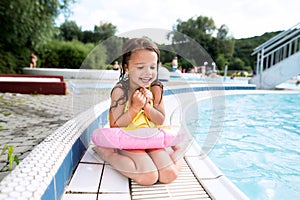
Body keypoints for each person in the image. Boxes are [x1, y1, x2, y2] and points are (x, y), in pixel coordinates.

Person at [93, 38, 183, 186]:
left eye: (152, 67)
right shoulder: (120, 91)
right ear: (126, 67)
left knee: (169, 174)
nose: (148, 73)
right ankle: (106, 153)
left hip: (151, 139)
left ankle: (179, 154)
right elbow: (115, 125)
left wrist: (147, 107)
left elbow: (160, 120)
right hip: (129, 139)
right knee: (148, 176)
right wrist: (135, 108)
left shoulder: (155, 89)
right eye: (140, 67)